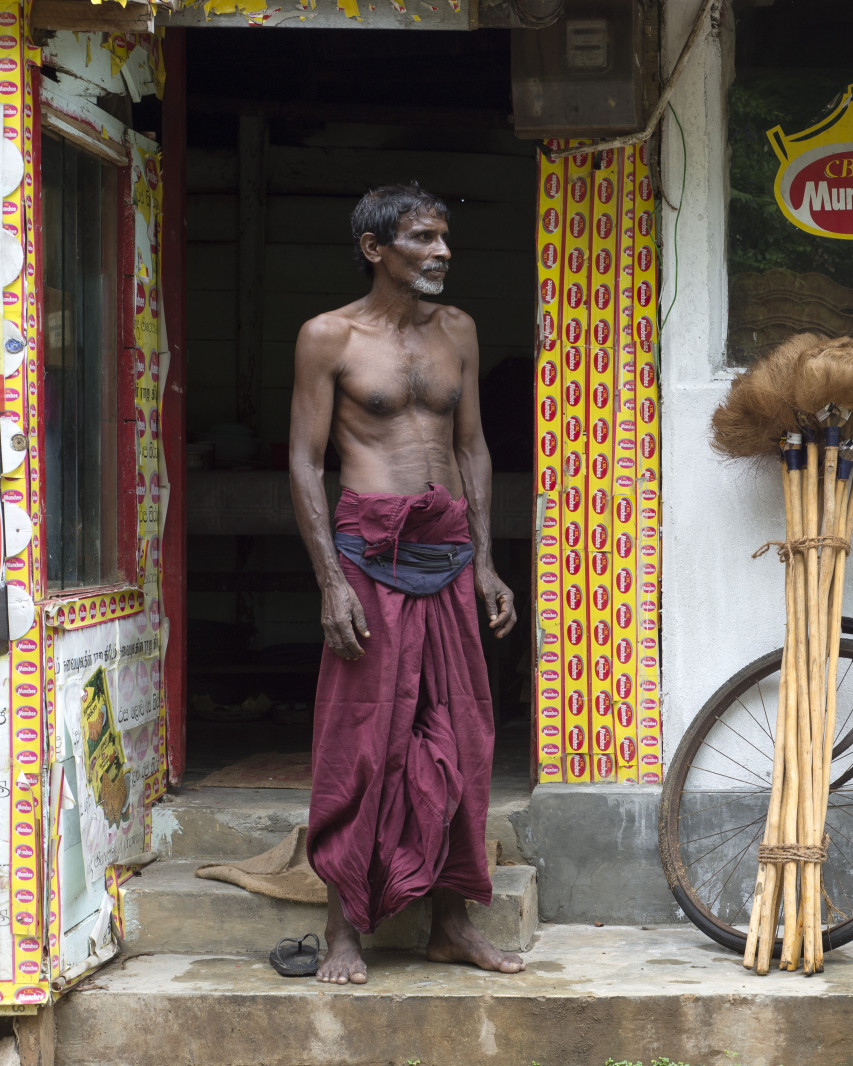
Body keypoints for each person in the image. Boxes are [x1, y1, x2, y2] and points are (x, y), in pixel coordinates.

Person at [288, 182, 524, 985]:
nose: (442, 252)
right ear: (375, 249)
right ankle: (343, 932)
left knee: (459, 741)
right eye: (423, 237)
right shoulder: (329, 337)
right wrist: (330, 582)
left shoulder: (458, 331)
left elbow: (474, 449)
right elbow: (302, 460)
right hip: (367, 554)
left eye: (445, 237)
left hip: (449, 553)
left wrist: (486, 560)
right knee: (363, 744)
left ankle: (450, 926)